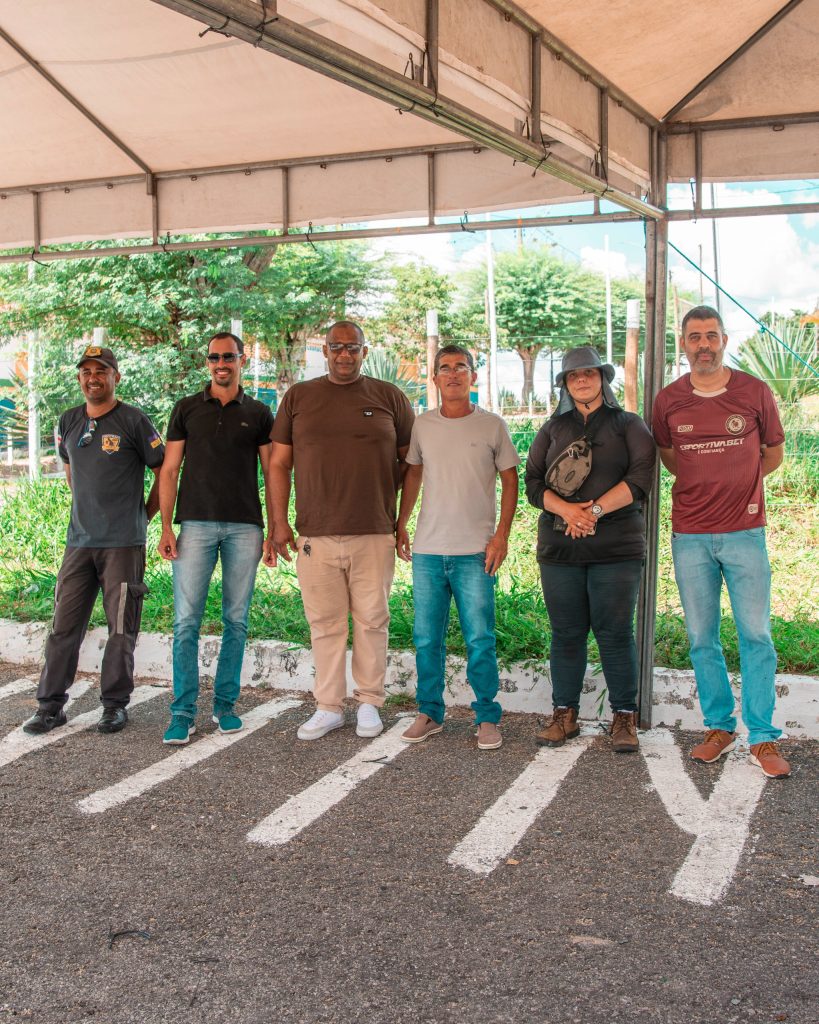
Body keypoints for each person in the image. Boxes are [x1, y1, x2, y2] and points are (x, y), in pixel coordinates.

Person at [652, 305, 790, 779]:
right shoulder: (669, 400)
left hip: (745, 533)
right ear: (683, 344)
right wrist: (707, 486)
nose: (704, 345)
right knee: (701, 637)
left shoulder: (753, 391)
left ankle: (763, 735)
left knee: (756, 635)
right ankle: (719, 727)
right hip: (690, 535)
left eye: (711, 335)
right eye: (695, 337)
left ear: (724, 340)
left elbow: (773, 453)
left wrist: (740, 486)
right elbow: (670, 455)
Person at [267, 321, 414, 741]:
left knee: (372, 621)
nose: (344, 354)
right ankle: (328, 706)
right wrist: (279, 523)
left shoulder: (389, 397)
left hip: (375, 530)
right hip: (315, 532)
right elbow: (278, 464)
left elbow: (412, 463)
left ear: (365, 352)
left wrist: (400, 519)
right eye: (337, 347)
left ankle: (369, 703)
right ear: (325, 351)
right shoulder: (299, 397)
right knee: (325, 623)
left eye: (353, 347)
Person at [22, 345, 165, 736]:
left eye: (101, 371)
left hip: (123, 545)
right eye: (86, 372)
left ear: (116, 377)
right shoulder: (68, 420)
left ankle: (114, 706)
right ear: (79, 378)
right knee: (63, 626)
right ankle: (50, 707)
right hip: (79, 543)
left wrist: (145, 516)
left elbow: (164, 471)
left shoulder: (134, 420)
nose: (93, 378)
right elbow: (70, 469)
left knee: (121, 627)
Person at [525, 346, 656, 753]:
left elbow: (641, 478)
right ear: (565, 384)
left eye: (589, 373)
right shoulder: (552, 428)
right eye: (573, 375)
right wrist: (568, 511)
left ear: (602, 379)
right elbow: (533, 483)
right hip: (560, 549)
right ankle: (564, 715)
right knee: (566, 633)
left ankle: (624, 718)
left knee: (615, 633)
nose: (581, 379)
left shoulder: (629, 424)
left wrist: (592, 512)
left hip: (616, 548)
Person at [396, 345, 519, 750]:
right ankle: (430, 712)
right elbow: (413, 475)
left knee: (480, 638)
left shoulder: (492, 425)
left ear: (473, 376)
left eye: (460, 367)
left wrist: (501, 536)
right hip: (429, 550)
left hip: (475, 552)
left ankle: (486, 716)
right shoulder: (423, 425)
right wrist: (401, 523)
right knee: (426, 638)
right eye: (445, 368)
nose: (452, 374)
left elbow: (511, 481)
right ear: (434, 378)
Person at [157, 332, 274, 746]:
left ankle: (225, 706)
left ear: (242, 360)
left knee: (236, 621)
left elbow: (272, 472)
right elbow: (169, 470)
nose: (221, 363)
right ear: (207, 362)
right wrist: (166, 526)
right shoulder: (187, 408)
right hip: (195, 526)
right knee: (185, 621)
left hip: (245, 527)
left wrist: (275, 528)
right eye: (214, 357)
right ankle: (182, 711)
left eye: (229, 356)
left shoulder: (259, 412)